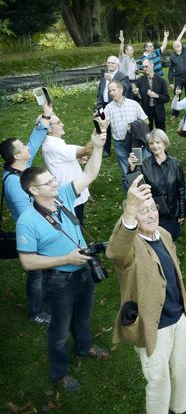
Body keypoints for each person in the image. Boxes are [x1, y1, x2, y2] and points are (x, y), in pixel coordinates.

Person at [16, 128, 109, 391]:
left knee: (83, 317)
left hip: (83, 271)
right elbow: (28, 263)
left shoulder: (63, 197)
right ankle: (59, 374)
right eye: (48, 182)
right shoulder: (27, 221)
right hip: (59, 281)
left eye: (53, 179)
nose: (55, 183)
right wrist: (65, 258)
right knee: (58, 333)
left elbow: (90, 173)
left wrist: (98, 146)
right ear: (34, 190)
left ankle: (84, 346)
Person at [105, 177, 186, 414]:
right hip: (153, 325)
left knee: (184, 369)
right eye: (142, 211)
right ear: (133, 217)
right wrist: (130, 208)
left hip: (178, 316)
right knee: (158, 380)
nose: (150, 215)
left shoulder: (164, 235)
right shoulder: (130, 246)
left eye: (153, 209)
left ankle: (180, 408)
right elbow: (115, 254)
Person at [1, 103, 51, 324]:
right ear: (16, 156)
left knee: (45, 267)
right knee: (36, 271)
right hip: (32, 232)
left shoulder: (21, 167)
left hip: (41, 226)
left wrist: (46, 115)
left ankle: (45, 302)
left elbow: (34, 142)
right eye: (22, 147)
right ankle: (37, 312)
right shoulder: (13, 182)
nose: (27, 148)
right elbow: (25, 215)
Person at [128, 129, 186, 241]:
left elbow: (181, 190)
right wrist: (132, 168)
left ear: (165, 143)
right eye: (151, 143)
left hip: (171, 212)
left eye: (158, 142)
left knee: (170, 240)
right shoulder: (144, 164)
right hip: (151, 212)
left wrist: (182, 213)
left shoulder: (176, 164)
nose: (155, 146)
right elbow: (135, 185)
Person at [42, 112, 94, 225]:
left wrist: (75, 161)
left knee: (78, 222)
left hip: (73, 191)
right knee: (75, 225)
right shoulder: (53, 146)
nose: (62, 124)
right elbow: (87, 150)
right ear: (49, 129)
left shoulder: (56, 144)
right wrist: (100, 130)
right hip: (70, 194)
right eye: (59, 123)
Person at [101, 80, 150, 192]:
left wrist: (133, 126)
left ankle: (147, 195)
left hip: (136, 143)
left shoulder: (133, 104)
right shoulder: (108, 108)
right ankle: (131, 200)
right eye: (110, 91)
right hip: (121, 144)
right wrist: (99, 120)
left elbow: (146, 121)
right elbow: (103, 126)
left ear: (121, 90)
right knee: (126, 174)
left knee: (144, 169)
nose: (112, 93)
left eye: (114, 90)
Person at [97, 56, 131, 157]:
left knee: (118, 126)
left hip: (116, 105)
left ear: (117, 65)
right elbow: (100, 90)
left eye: (112, 63)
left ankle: (124, 147)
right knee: (104, 126)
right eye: (108, 63)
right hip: (104, 105)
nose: (110, 65)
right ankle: (106, 149)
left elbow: (123, 88)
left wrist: (111, 79)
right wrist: (98, 106)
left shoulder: (123, 76)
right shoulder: (104, 76)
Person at [133, 59, 170, 131]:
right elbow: (137, 101)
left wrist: (157, 96)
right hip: (146, 111)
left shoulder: (161, 80)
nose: (144, 69)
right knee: (147, 134)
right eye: (143, 67)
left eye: (146, 66)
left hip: (159, 111)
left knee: (161, 133)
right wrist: (135, 94)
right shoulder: (139, 81)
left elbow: (167, 98)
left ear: (152, 65)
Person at [168, 22, 186, 118]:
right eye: (176, 44)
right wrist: (171, 82)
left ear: (181, 45)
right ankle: (175, 113)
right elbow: (170, 70)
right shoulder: (172, 57)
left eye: (179, 43)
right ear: (174, 47)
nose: (178, 45)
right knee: (177, 95)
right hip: (178, 78)